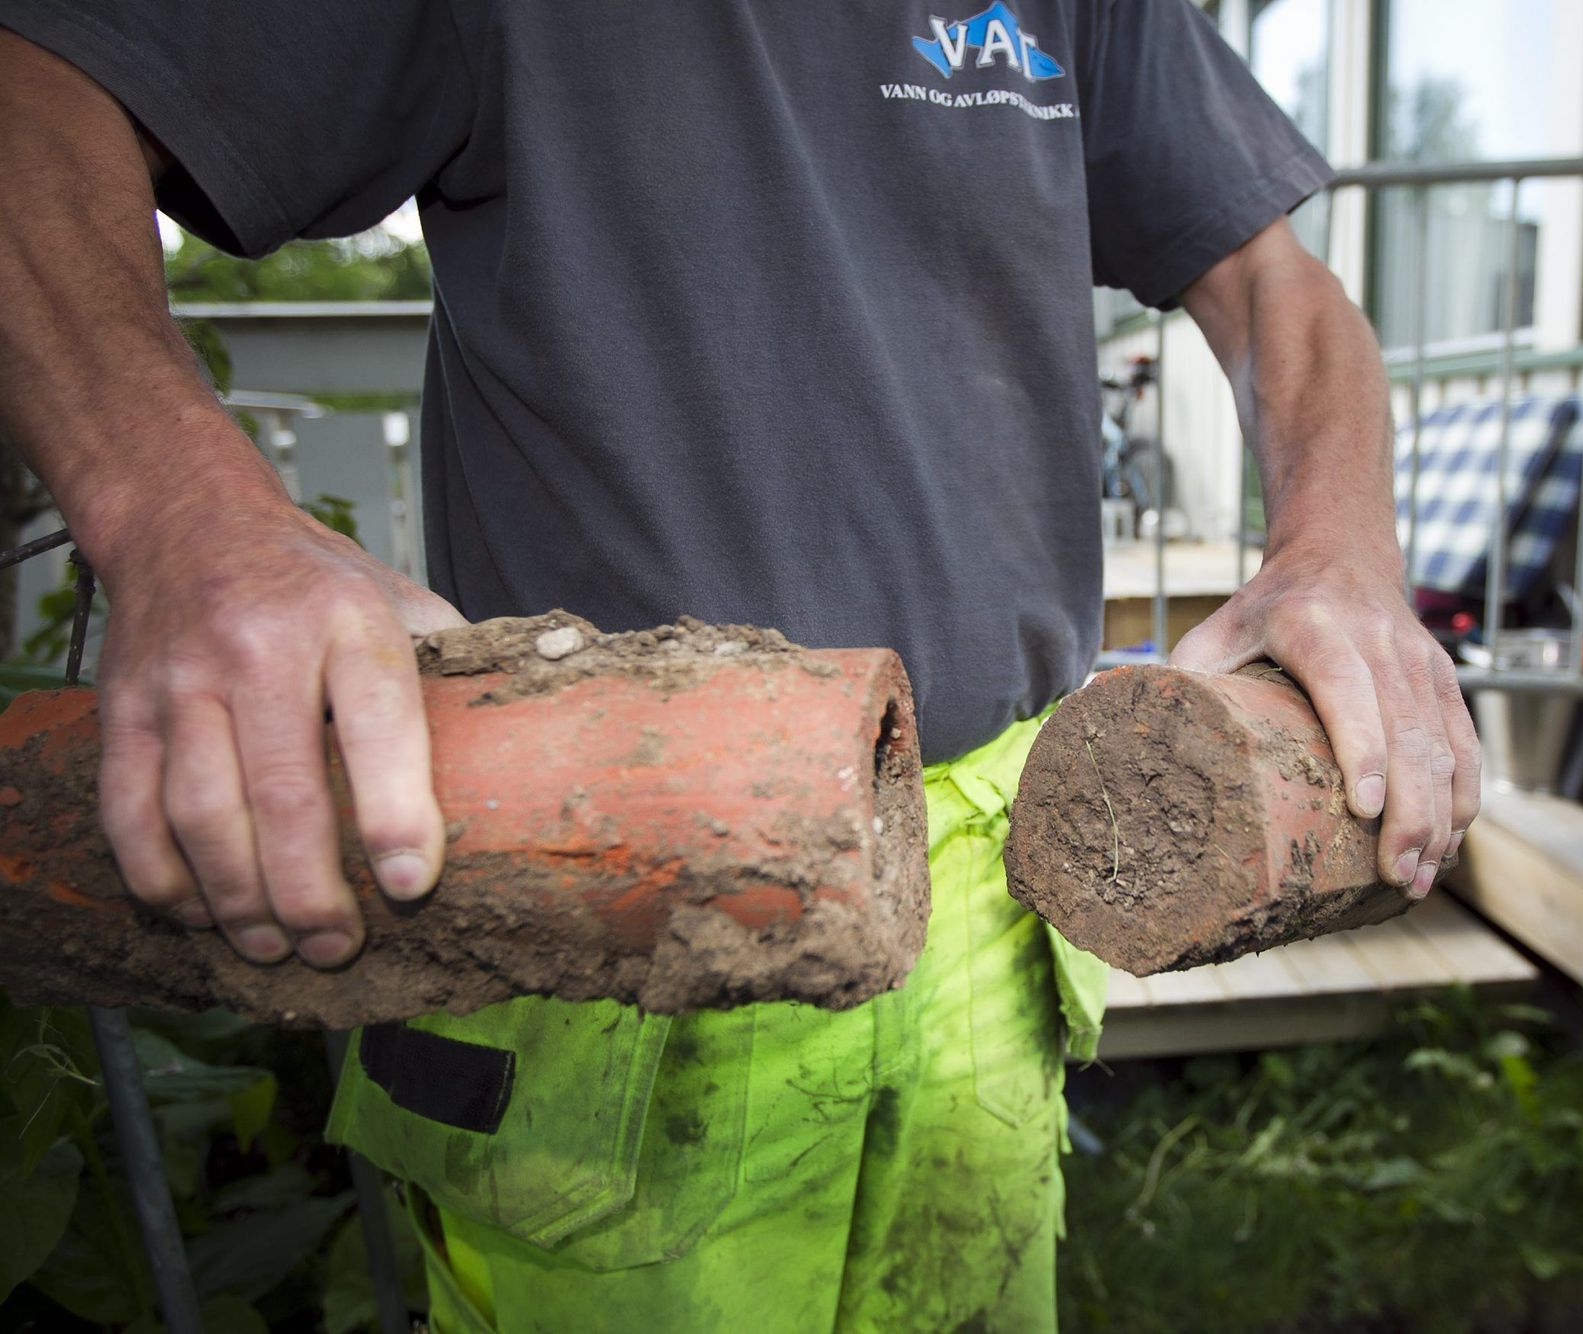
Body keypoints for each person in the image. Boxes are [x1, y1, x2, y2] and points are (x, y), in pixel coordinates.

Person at [0, 3, 1479, 1328]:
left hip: (985, 898)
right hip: (612, 915)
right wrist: (183, 511)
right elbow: (36, 90)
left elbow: (1280, 285)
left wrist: (1341, 546)